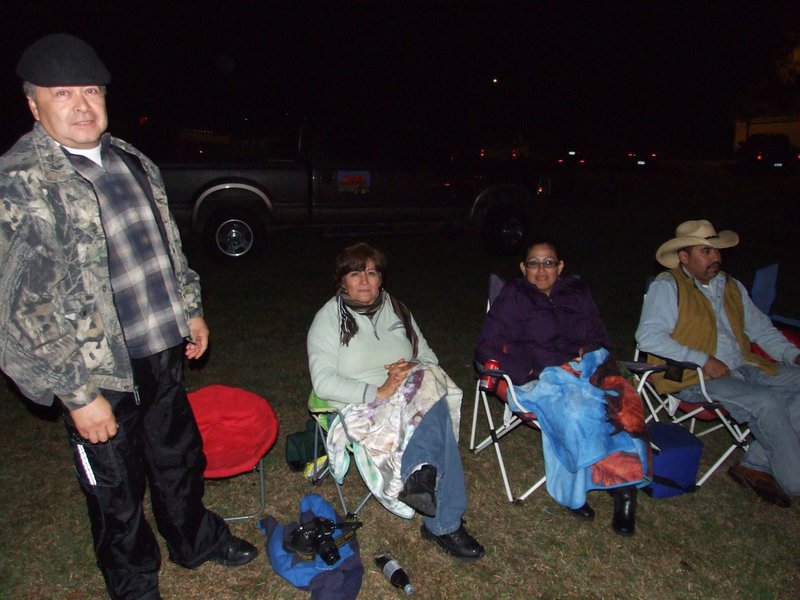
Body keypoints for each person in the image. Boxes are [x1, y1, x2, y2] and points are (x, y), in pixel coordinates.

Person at [0, 34, 257, 599]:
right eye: (62, 93)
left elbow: (166, 248)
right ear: (33, 104)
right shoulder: (20, 182)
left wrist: (190, 311)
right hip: (95, 372)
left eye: (90, 90)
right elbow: (22, 308)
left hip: (159, 348)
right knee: (114, 490)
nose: (82, 105)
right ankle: (135, 583)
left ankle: (194, 540)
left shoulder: (131, 160)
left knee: (177, 458)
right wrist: (75, 394)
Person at [307, 242, 484, 560]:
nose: (364, 281)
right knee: (436, 408)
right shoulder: (328, 319)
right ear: (342, 280)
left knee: (430, 378)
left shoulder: (397, 309)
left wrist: (411, 367)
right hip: (361, 405)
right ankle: (440, 516)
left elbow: (427, 356)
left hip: (409, 394)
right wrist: (377, 391)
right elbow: (323, 382)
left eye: (372, 273)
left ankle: (421, 476)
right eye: (355, 273)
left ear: (381, 279)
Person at [475, 239, 648, 536]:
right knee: (576, 412)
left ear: (561, 266)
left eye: (549, 262)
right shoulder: (514, 296)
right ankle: (595, 488)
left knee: (624, 403)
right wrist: (527, 371)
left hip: (584, 373)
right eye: (533, 263)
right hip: (539, 380)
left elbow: (600, 338)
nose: (541, 270)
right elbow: (486, 346)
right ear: (522, 268)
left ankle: (625, 486)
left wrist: (590, 351)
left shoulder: (577, 293)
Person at [636, 219, 800, 508]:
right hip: (695, 378)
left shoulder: (731, 286)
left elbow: (761, 330)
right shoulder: (668, 285)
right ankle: (795, 479)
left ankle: (756, 463)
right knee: (769, 402)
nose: (715, 258)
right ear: (684, 257)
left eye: (716, 251)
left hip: (744, 366)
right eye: (705, 252)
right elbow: (647, 337)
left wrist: (793, 355)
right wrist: (703, 360)